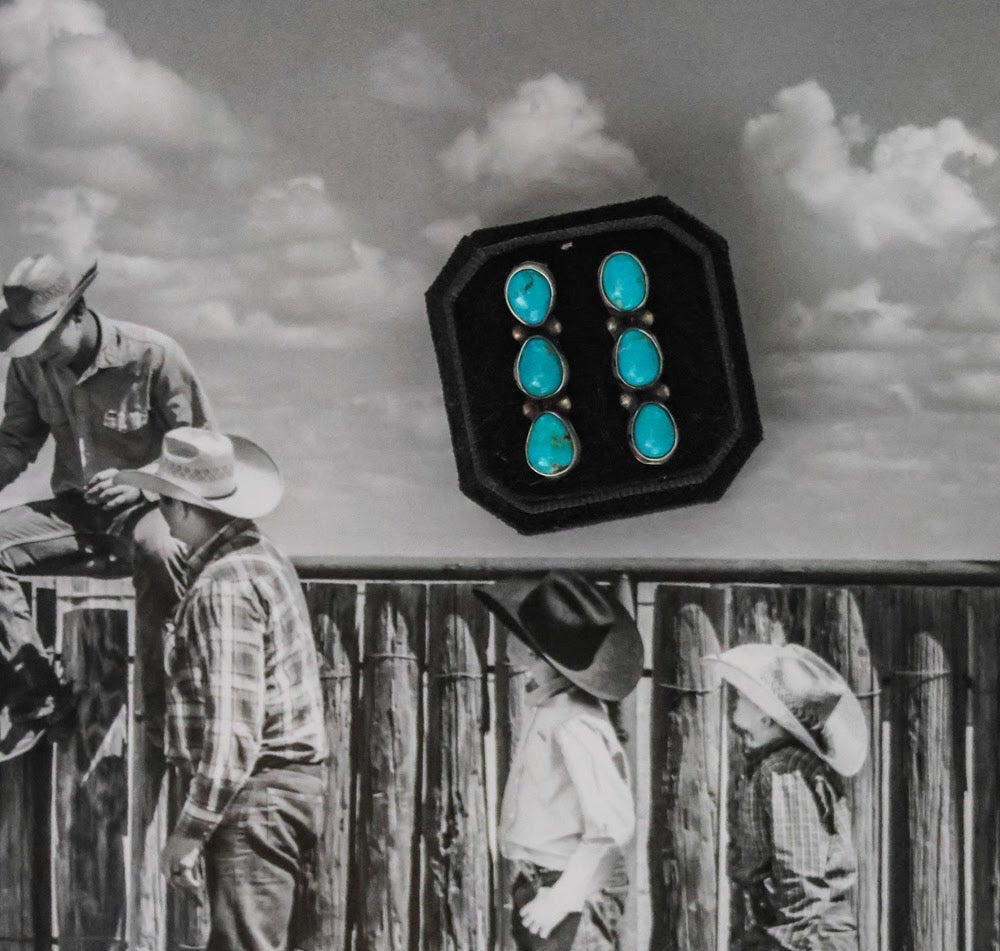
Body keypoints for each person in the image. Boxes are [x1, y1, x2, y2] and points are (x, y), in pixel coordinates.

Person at [117, 427, 328, 951]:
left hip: (256, 795)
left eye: (164, 501)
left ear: (185, 508)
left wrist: (189, 832)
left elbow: (234, 731)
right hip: (278, 792)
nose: (161, 514)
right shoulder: (262, 556)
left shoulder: (224, 584)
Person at [0, 253, 212, 761]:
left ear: (77, 313)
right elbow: (14, 443)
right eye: (28, 343)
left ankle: (166, 718)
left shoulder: (155, 355)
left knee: (161, 552)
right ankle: (38, 696)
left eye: (46, 341)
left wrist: (143, 485)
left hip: (150, 512)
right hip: (76, 514)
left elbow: (204, 450)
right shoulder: (29, 366)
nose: (39, 355)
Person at [473, 570, 642, 951]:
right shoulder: (554, 709)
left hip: (567, 894)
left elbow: (612, 824)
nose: (507, 635)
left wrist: (564, 897)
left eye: (516, 630)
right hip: (544, 884)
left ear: (537, 652)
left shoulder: (574, 721)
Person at [704, 643, 868, 951]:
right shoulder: (786, 766)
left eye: (745, 695)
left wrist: (790, 942)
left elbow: (800, 879)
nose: (736, 696)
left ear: (766, 718)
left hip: (807, 936)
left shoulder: (782, 771)